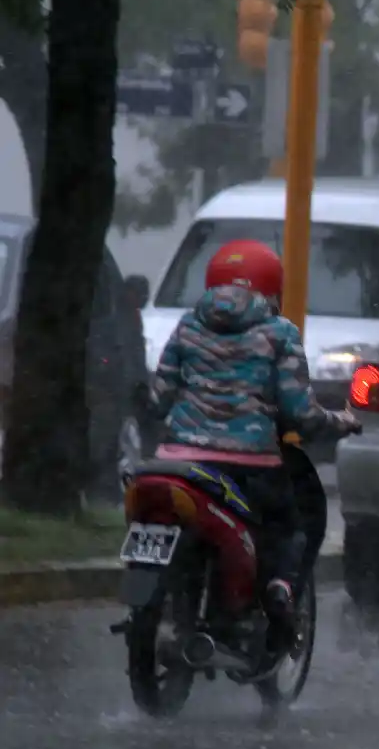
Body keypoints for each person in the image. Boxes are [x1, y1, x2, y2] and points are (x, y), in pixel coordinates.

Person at [147, 239, 360, 629]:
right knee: (289, 526)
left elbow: (159, 397)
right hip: (250, 465)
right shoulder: (279, 332)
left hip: (180, 461)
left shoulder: (188, 324)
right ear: (273, 287)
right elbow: (299, 411)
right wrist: (340, 422)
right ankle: (279, 587)